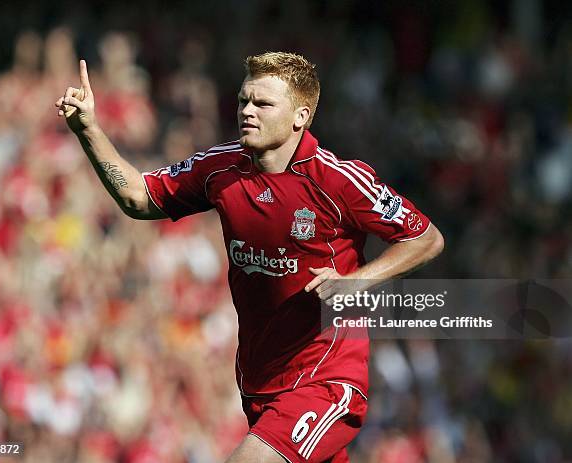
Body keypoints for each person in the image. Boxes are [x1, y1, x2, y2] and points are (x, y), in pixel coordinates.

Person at [55, 52, 444, 463]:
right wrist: (88, 130)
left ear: (300, 117)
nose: (247, 111)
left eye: (263, 104)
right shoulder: (220, 168)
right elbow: (139, 197)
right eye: (244, 101)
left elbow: (426, 238)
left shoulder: (339, 179)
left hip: (327, 378)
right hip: (261, 384)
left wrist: (358, 281)